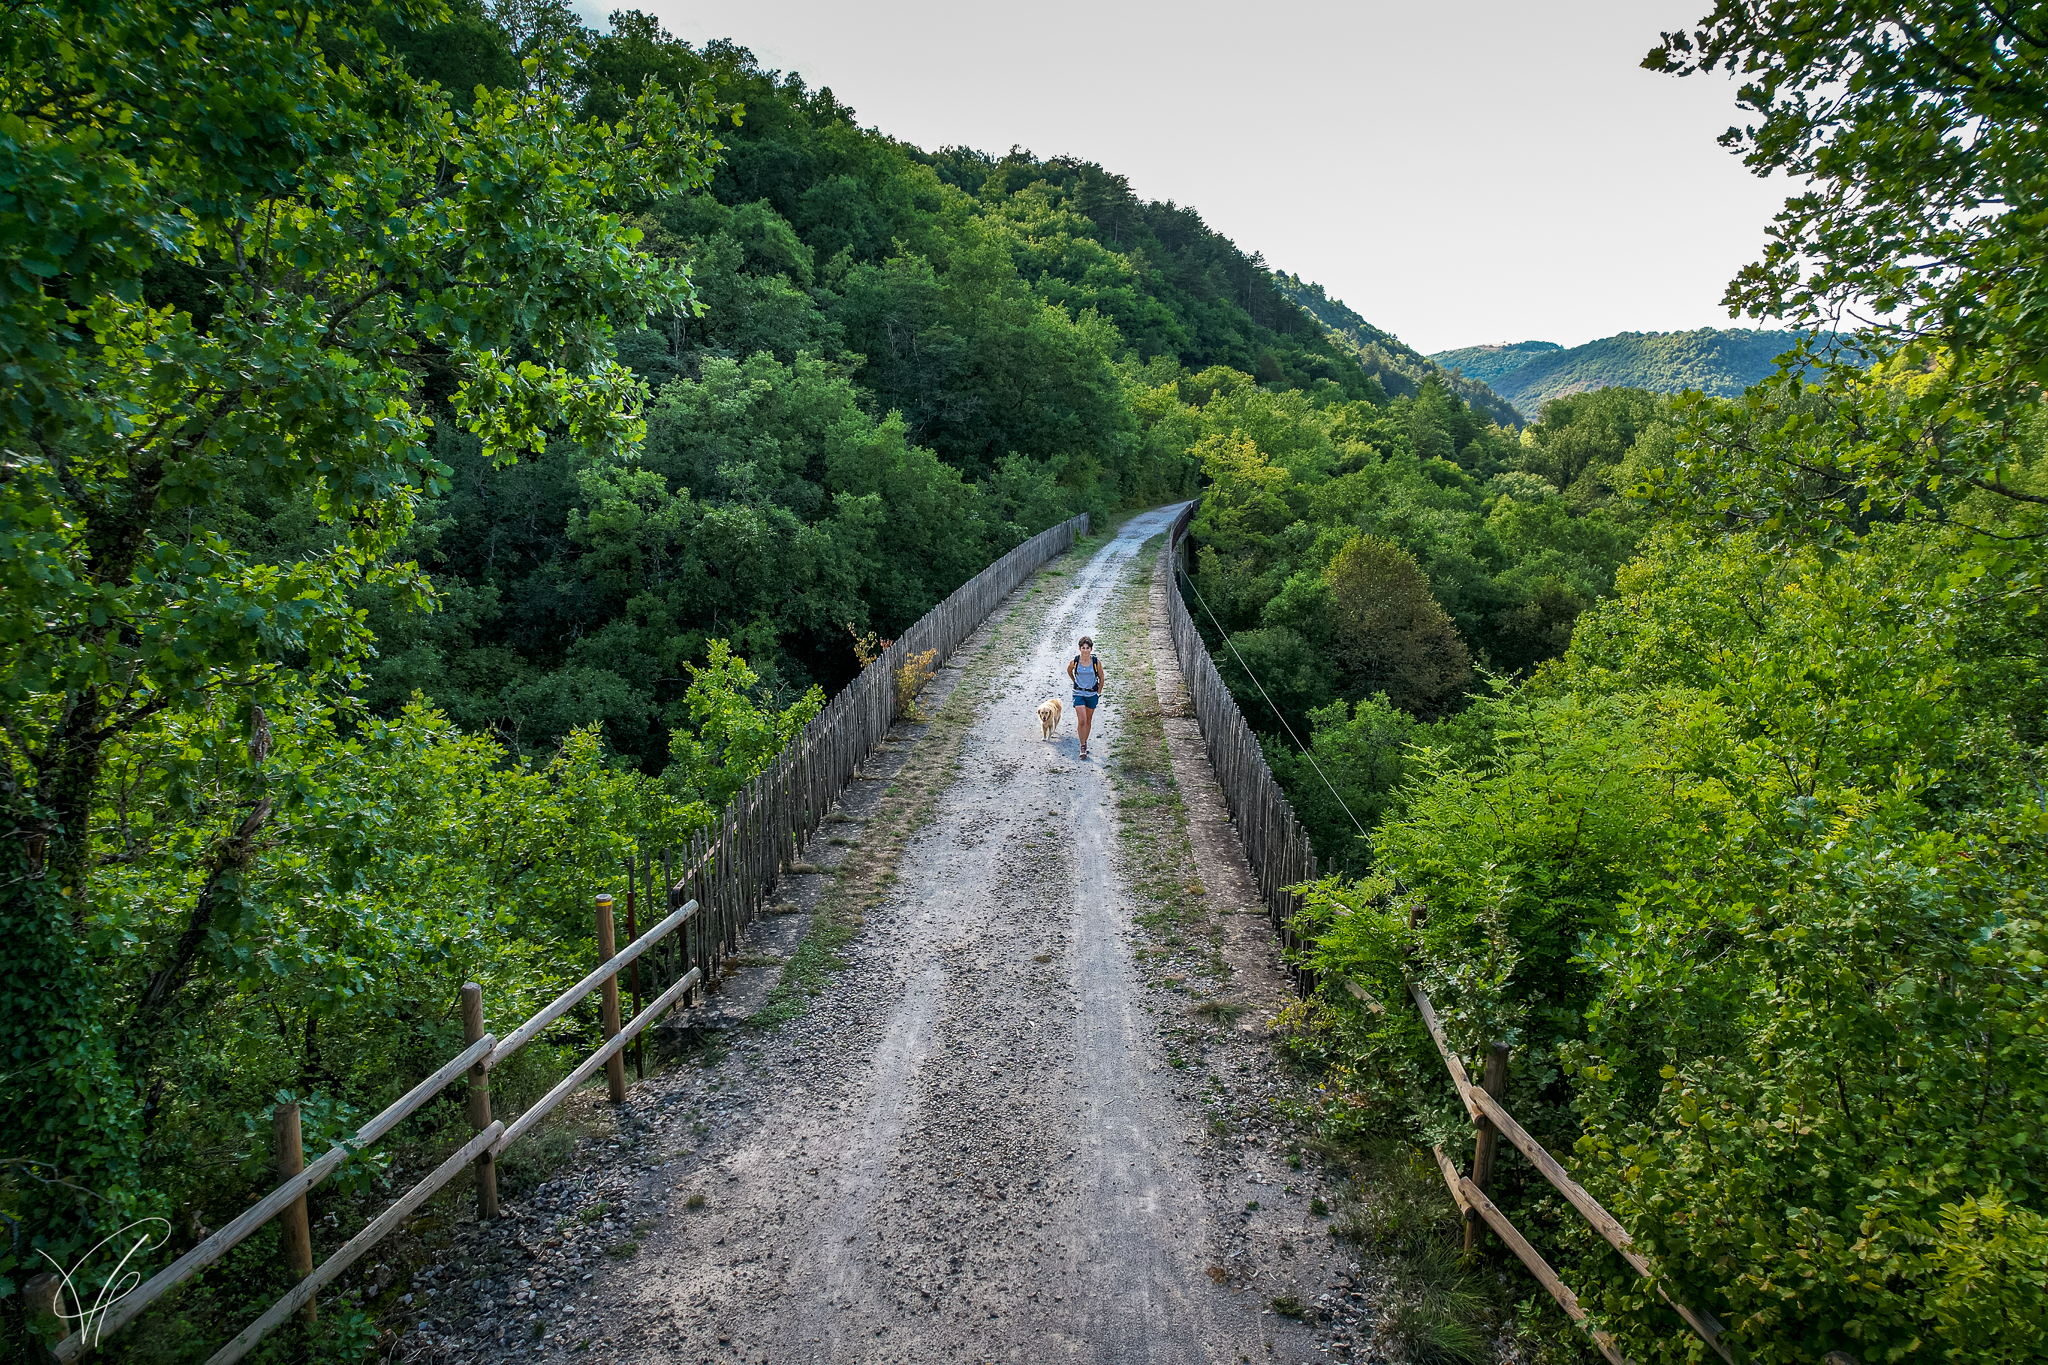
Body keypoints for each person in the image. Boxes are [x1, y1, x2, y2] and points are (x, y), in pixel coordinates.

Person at [1067, 636, 1106, 759]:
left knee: (1088, 720)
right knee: (1082, 720)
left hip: (1091, 694)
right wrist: (1075, 681)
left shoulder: (1095, 662)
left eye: (1087, 648)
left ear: (1091, 649)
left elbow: (1101, 677)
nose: (1085, 650)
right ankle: (1082, 746)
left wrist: (1098, 692)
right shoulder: (1075, 661)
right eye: (1083, 648)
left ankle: (1085, 741)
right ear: (1079, 648)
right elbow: (1069, 671)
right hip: (1078, 693)